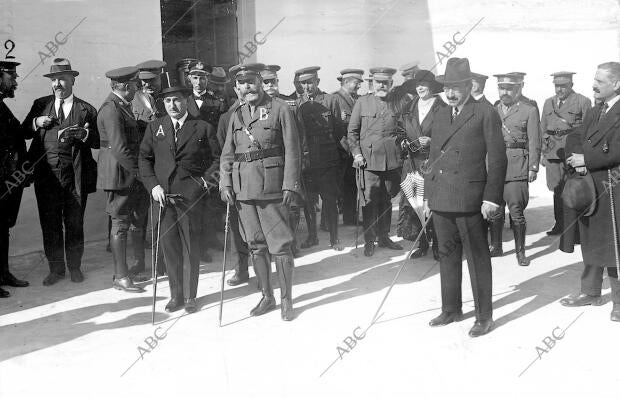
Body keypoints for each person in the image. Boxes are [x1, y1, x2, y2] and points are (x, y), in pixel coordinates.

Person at [425, 57, 507, 337]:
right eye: (446, 87)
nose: (450, 93)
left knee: (477, 258)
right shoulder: (439, 114)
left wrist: (491, 198)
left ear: (468, 85)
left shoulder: (485, 113)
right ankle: (451, 309)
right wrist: (429, 195)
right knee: (446, 256)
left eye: (456, 88)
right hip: (442, 199)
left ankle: (484, 316)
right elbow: (433, 158)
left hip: (471, 199)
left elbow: (497, 160)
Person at [220, 63, 301, 321]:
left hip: (272, 188)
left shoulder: (280, 109)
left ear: (260, 82)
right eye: (242, 84)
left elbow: (293, 150)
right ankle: (267, 295)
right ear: (238, 88)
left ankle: (287, 300)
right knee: (255, 245)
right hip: (243, 190)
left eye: (252, 81)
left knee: (280, 246)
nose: (247, 87)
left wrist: (290, 183)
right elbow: (228, 153)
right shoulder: (237, 114)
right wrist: (225, 183)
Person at [139, 76, 216, 314]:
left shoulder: (202, 127)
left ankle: (191, 296)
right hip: (163, 197)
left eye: (178, 100)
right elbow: (144, 158)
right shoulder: (155, 127)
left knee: (191, 247)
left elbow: (217, 159)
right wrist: (153, 186)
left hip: (190, 197)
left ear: (187, 101)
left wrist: (204, 182)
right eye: (168, 101)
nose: (173, 105)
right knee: (169, 247)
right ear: (163, 104)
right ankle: (176, 295)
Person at [22, 58, 99, 285]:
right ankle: (56, 270)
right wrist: (36, 121)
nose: (58, 84)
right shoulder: (40, 105)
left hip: (75, 177)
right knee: (50, 224)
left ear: (72, 80)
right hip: (47, 177)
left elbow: (98, 141)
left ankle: (75, 267)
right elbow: (24, 133)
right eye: (54, 80)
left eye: (63, 79)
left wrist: (85, 135)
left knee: (75, 224)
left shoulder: (86, 109)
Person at [561, 61, 620, 322]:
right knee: (589, 238)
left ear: (616, 84)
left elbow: (617, 151)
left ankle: (618, 302)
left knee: (614, 245)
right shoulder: (597, 109)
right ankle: (590, 292)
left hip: (613, 187)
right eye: (594, 80)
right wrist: (575, 154)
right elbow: (577, 135)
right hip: (590, 186)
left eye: (600, 81)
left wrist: (586, 160)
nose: (593, 85)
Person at [97, 66, 147, 293]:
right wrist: (140, 174)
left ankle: (133, 268)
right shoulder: (111, 109)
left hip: (126, 173)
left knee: (133, 220)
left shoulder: (121, 106)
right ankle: (121, 276)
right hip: (119, 175)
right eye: (135, 85)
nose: (138, 88)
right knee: (120, 224)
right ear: (126, 87)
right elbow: (119, 148)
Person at [349, 67, 405, 257]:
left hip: (391, 161)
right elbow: (352, 132)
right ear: (372, 83)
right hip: (368, 162)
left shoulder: (397, 104)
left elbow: (403, 129)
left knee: (387, 199)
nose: (382, 86)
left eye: (386, 82)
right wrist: (356, 154)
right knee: (369, 201)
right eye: (378, 82)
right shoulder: (362, 102)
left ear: (391, 84)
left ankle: (384, 236)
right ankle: (369, 240)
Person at [489, 73, 540, 266]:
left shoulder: (529, 110)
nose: (505, 92)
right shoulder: (494, 110)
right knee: (495, 209)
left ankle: (520, 252)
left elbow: (534, 141)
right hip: (495, 165)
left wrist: (533, 167)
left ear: (519, 88)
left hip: (517, 165)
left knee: (516, 210)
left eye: (509, 89)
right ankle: (496, 246)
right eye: (502, 88)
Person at [296, 66, 347, 251]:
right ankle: (312, 236)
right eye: (303, 83)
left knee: (329, 199)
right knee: (309, 201)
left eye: (310, 82)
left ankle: (334, 238)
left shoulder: (330, 100)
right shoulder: (296, 103)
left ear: (317, 82)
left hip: (327, 159)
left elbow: (339, 130)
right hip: (308, 161)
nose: (307, 87)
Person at [397, 69, 445, 260]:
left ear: (432, 87)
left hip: (433, 163)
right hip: (412, 163)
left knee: (433, 204)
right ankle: (423, 243)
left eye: (424, 85)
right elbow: (400, 132)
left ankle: (438, 245)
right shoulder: (408, 107)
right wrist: (405, 143)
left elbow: (450, 136)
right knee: (415, 204)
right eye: (417, 85)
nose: (420, 88)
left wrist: (432, 142)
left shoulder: (443, 108)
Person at [540, 72, 591, 235]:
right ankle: (559, 224)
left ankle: (576, 229)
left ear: (571, 85)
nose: (560, 89)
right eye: (557, 86)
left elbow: (588, 130)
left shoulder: (583, 101)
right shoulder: (548, 103)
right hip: (553, 153)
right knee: (557, 190)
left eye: (563, 86)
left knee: (575, 189)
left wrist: (584, 155)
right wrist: (542, 152)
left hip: (572, 153)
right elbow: (543, 128)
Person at [262, 65, 305, 257]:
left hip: (288, 161)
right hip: (267, 165)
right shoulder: (257, 105)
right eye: (266, 82)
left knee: (292, 205)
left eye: (273, 81)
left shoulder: (290, 104)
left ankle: (292, 242)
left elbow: (300, 135)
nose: (270, 85)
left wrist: (299, 162)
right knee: (270, 207)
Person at [186, 59, 226, 261]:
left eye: (202, 77)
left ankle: (211, 239)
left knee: (211, 201)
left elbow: (220, 132)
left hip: (210, 158)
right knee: (194, 203)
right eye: (195, 77)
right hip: (191, 158)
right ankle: (198, 245)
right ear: (189, 78)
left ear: (208, 79)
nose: (199, 81)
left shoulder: (218, 102)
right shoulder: (183, 101)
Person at [0, 60, 29, 297]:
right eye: (12, 77)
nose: (16, 82)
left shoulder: (1, 106)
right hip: (2, 180)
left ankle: (3, 273)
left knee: (2, 229)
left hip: (9, 181)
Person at [333, 68, 363, 226]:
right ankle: (328, 223)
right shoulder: (334, 98)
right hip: (341, 150)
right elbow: (333, 127)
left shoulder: (358, 99)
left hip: (353, 150)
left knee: (352, 184)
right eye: (356, 83)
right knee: (335, 187)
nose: (358, 86)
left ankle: (350, 218)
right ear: (345, 82)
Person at [133, 60, 167, 124]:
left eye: (152, 80)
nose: (148, 85)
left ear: (160, 78)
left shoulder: (170, 97)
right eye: (144, 80)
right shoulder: (135, 98)